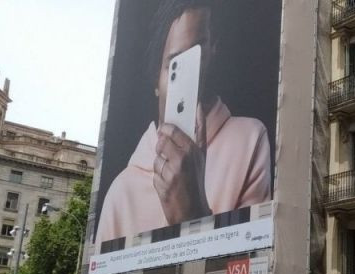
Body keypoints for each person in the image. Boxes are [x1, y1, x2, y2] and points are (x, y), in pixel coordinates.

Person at [96, 0, 272, 246]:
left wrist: (193, 213)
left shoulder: (250, 138)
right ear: (156, 81)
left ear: (214, 50)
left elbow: (248, 270)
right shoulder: (120, 192)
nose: (193, 75)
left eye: (198, 53)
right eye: (177, 65)